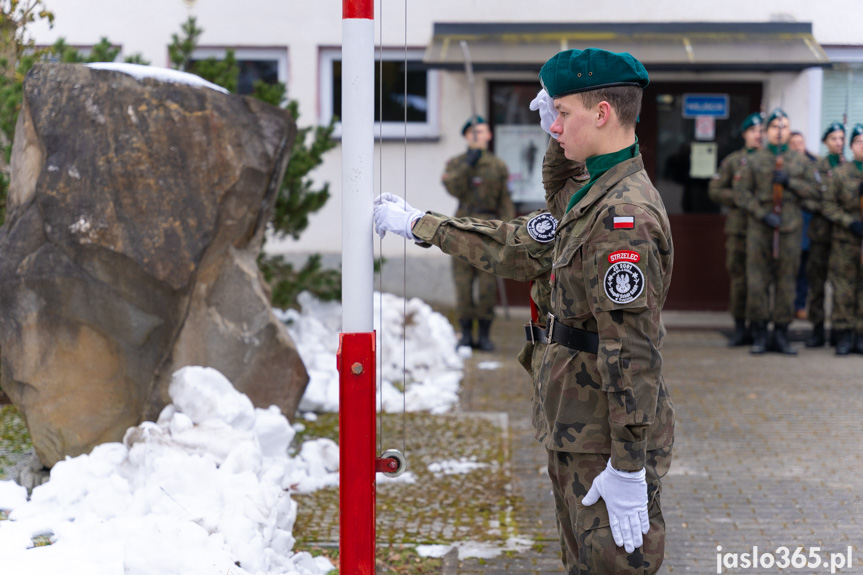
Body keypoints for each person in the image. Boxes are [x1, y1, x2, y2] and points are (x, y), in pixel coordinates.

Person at [532, 48, 675, 574]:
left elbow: (632, 351)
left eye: (561, 112)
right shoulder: (595, 187)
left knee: (612, 565)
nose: (553, 123)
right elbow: (556, 187)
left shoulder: (624, 215)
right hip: (581, 423)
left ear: (601, 114)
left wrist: (629, 467)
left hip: (606, 438)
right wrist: (557, 128)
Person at [733, 109, 819, 355]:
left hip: (790, 229)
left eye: (784, 127)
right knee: (758, 282)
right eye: (774, 127)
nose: (779, 132)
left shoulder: (801, 161)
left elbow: (815, 192)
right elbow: (741, 193)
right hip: (760, 229)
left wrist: (791, 182)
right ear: (767, 131)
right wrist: (762, 214)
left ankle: (781, 333)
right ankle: (760, 333)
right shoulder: (754, 160)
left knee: (786, 282)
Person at [441, 116, 515, 352]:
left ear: (489, 135)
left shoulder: (497, 166)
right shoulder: (457, 163)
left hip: (488, 228)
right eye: (472, 132)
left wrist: (508, 230)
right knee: (463, 285)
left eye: (481, 131)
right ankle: (465, 334)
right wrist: (468, 166)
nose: (477, 136)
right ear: (465, 137)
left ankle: (484, 334)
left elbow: (505, 200)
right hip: (462, 226)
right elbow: (453, 187)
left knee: (486, 286)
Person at [708, 112, 763, 346]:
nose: (758, 135)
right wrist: (740, 198)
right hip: (739, 229)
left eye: (761, 131)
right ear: (744, 134)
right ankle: (740, 328)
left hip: (764, 229)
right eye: (753, 131)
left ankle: (760, 328)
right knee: (739, 279)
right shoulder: (734, 161)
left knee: (760, 281)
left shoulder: (769, 160)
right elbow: (715, 190)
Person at [822, 123, 863, 355]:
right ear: (850, 146)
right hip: (845, 240)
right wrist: (850, 222)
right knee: (844, 288)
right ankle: (844, 334)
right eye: (859, 142)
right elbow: (828, 205)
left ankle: (860, 334)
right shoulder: (840, 174)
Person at [804, 122, 845, 347]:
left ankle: (840, 331)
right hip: (820, 233)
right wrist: (824, 206)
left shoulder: (850, 167)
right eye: (833, 139)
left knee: (842, 284)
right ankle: (818, 330)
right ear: (825, 142)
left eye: (841, 139)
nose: (838, 143)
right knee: (817, 283)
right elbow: (807, 196)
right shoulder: (816, 168)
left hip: (843, 235)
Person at [788, 131, 820, 324]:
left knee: (804, 271)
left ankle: (800, 305)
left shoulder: (814, 164)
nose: (798, 146)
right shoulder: (783, 164)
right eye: (794, 143)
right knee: (789, 269)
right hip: (790, 224)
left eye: (801, 142)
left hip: (809, 225)